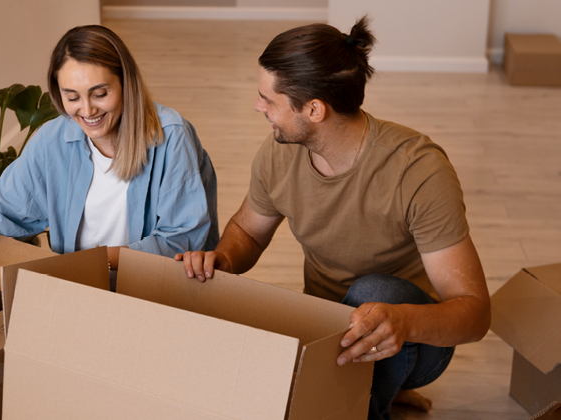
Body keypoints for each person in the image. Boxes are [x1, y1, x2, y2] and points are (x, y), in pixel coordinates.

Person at [176, 16, 490, 420]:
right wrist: (222, 259)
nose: (258, 107)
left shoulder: (418, 171)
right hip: (328, 328)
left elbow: (475, 315)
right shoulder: (280, 152)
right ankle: (374, 392)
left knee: (375, 295)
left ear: (314, 109)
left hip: (412, 338)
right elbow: (247, 233)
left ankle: (371, 402)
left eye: (268, 100)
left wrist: (403, 322)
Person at [0, 25, 219, 286]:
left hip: (152, 288)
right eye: (72, 97)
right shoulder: (52, 141)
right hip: (78, 286)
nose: (88, 111)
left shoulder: (170, 136)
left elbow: (180, 243)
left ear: (126, 84)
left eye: (100, 94)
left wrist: (91, 263)